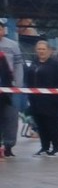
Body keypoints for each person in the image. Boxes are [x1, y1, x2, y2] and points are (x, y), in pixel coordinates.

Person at [25, 41, 58, 156]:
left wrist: (57, 98)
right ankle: (45, 147)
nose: (41, 51)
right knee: (40, 124)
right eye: (39, 49)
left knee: (53, 124)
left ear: (49, 50)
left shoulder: (56, 65)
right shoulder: (34, 63)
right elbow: (28, 79)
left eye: (43, 49)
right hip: (35, 99)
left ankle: (56, 147)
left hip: (51, 100)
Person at [0, 20, 22, 157]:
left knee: (11, 117)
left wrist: (18, 85)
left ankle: (9, 145)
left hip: (9, 88)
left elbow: (18, 65)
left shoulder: (13, 45)